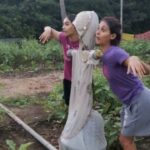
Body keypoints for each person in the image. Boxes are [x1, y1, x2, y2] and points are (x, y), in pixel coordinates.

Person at [95, 16, 150, 150]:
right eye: (97, 29)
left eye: (102, 30)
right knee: (125, 139)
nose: (97, 32)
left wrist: (133, 58)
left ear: (112, 35)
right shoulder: (104, 55)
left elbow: (126, 58)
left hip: (138, 99)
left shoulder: (114, 53)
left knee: (125, 140)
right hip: (130, 102)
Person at [59, 11, 107, 150]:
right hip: (74, 83)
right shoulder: (76, 45)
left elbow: (95, 55)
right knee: (75, 106)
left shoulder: (89, 50)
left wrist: (95, 55)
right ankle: (77, 128)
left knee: (83, 107)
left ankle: (81, 133)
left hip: (83, 85)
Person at [39, 14, 79, 105]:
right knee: (69, 104)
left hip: (81, 80)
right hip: (68, 79)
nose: (63, 27)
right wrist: (48, 29)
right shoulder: (64, 38)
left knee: (82, 105)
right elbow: (49, 29)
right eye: (63, 24)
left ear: (76, 25)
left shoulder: (84, 42)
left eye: (67, 24)